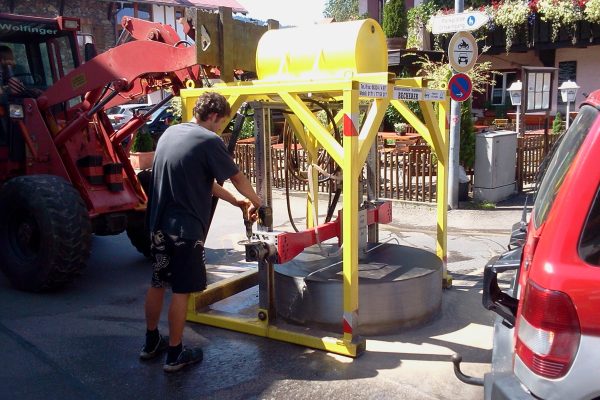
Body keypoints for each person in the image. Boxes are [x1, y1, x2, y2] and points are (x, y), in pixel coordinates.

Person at [141, 91, 261, 373]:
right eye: (222, 123)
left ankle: (150, 344)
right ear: (215, 116)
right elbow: (238, 177)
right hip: (184, 231)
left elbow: (200, 181)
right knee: (181, 291)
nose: (222, 128)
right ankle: (174, 354)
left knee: (158, 282)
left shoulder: (171, 134)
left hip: (158, 226)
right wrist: (259, 203)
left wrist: (236, 201)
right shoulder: (209, 140)